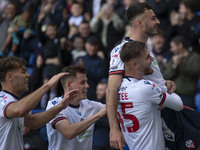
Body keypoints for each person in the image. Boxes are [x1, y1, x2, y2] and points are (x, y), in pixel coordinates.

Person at [106, 3, 176, 150]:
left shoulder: (146, 49)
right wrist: (114, 128)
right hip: (149, 123)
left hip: (161, 116)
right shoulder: (121, 50)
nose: (157, 22)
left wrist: (164, 83)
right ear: (139, 23)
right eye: (153, 18)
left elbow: (144, 79)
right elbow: (112, 89)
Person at [0, 56, 79, 150]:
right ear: (10, 76)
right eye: (23, 71)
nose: (28, 75)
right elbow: (20, 110)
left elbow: (33, 122)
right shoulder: (2, 100)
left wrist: (61, 106)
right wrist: (47, 85)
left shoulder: (12, 102)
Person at [118, 40, 183, 150]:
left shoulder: (117, 88)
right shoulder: (145, 87)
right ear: (135, 64)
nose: (152, 59)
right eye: (148, 57)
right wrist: (161, 86)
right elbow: (179, 105)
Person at [46, 65, 106, 150]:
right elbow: (68, 132)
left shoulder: (90, 105)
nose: (87, 86)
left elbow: (112, 108)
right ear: (69, 84)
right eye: (83, 82)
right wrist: (97, 115)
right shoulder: (54, 105)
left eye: (86, 82)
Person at [164, 36, 200, 109]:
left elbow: (196, 72)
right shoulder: (173, 58)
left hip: (188, 95)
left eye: (173, 47)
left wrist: (182, 64)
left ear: (180, 45)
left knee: (188, 118)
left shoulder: (195, 57)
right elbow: (166, 76)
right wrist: (174, 66)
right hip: (173, 94)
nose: (171, 50)